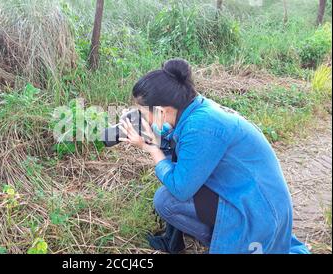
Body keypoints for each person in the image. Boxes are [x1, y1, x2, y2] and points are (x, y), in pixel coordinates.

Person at [118, 58, 310, 254]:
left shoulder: (201, 127)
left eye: (142, 112)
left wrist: (151, 149)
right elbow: (182, 148)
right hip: (247, 192)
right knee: (172, 189)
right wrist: (156, 138)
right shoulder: (195, 109)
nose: (140, 117)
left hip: (257, 209)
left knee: (166, 201)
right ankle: (208, 236)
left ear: (160, 110)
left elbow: (180, 188)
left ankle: (234, 243)